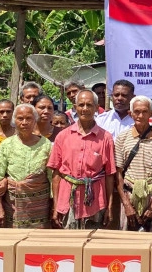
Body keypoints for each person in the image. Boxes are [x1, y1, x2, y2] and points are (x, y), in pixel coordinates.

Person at [49, 89, 116, 229]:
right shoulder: (63, 136)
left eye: (89, 105)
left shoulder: (106, 138)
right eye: (81, 105)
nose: (85, 109)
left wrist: (109, 207)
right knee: (70, 245)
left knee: (93, 243)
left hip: (96, 201)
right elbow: (56, 174)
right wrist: (55, 206)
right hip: (67, 200)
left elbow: (109, 175)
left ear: (97, 108)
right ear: (75, 108)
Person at [115, 95, 152, 231]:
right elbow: (118, 173)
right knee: (129, 239)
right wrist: (127, 205)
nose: (140, 115)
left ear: (151, 114)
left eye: (145, 111)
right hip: (129, 195)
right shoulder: (122, 137)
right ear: (130, 113)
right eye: (137, 112)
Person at [0, 103, 53, 228]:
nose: (24, 122)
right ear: (14, 121)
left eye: (29, 118)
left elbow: (51, 177)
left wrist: (54, 205)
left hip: (40, 205)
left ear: (35, 120)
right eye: (20, 118)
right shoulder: (6, 145)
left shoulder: (46, 144)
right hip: (12, 205)